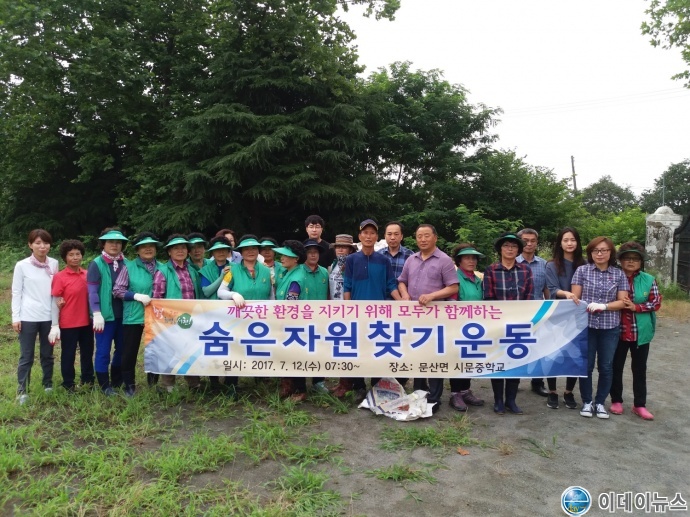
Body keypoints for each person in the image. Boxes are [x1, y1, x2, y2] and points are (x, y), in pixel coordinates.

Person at [332, 219, 402, 399]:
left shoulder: (384, 260)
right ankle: (359, 386)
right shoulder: (352, 259)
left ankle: (377, 385)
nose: (368, 236)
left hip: (379, 314)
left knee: (377, 349)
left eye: (372, 233)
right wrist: (348, 310)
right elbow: (347, 285)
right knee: (358, 350)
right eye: (365, 233)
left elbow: (390, 284)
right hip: (357, 314)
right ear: (360, 236)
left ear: (377, 237)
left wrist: (403, 303)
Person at [398, 224, 459, 413]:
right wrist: (404, 294)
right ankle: (419, 391)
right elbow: (402, 281)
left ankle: (434, 398)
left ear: (435, 238)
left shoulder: (444, 260)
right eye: (419, 236)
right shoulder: (411, 259)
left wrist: (432, 296)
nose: (422, 239)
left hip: (435, 318)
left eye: (426, 236)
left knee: (434, 357)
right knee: (417, 354)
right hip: (414, 317)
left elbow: (453, 287)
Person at [571, 236, 628, 419]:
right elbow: (575, 299)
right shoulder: (582, 271)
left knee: (606, 366)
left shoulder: (619, 274)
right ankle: (587, 401)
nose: (600, 254)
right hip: (586, 326)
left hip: (609, 326)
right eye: (595, 250)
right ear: (590, 253)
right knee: (586, 366)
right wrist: (585, 305)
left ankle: (601, 402)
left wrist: (604, 306)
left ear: (611, 252)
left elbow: (623, 301)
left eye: (604, 250)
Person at [482, 232, 534, 415]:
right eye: (506, 246)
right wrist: (499, 319)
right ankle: (498, 400)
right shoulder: (491, 270)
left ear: (518, 250)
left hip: (519, 324)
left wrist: (524, 318)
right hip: (498, 324)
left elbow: (529, 297)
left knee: (515, 361)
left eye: (513, 246)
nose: (510, 249)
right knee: (498, 361)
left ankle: (511, 400)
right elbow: (488, 298)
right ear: (500, 249)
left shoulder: (526, 270)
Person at [610, 242, 661, 421]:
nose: (631, 261)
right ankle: (616, 400)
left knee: (639, 369)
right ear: (620, 260)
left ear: (641, 261)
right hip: (617, 331)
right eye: (627, 258)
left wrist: (636, 307)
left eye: (635, 258)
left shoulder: (648, 279)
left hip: (640, 332)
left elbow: (656, 302)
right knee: (615, 367)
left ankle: (639, 404)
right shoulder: (613, 276)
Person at [217, 235, 274, 393]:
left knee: (259, 348)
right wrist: (233, 294)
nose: (250, 251)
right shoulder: (232, 270)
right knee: (236, 350)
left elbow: (271, 294)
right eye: (246, 249)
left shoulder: (266, 270)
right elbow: (221, 291)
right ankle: (231, 385)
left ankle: (260, 382)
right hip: (238, 319)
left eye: (254, 248)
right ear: (241, 252)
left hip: (261, 318)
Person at [12, 229, 59, 404]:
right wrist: (15, 317)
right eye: (38, 243)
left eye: (45, 243)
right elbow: (16, 292)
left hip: (48, 316)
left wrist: (56, 319)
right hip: (28, 316)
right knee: (26, 356)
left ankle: (48, 384)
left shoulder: (53, 263)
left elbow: (56, 291)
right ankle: (22, 391)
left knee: (47, 354)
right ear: (30, 245)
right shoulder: (22, 265)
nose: (42, 246)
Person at [112, 232, 163, 396]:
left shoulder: (163, 267)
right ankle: (129, 385)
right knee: (129, 351)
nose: (148, 249)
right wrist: (135, 296)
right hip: (134, 315)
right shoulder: (129, 267)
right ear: (137, 250)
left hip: (157, 317)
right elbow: (117, 290)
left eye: (151, 246)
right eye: (143, 247)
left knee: (155, 351)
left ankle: (153, 383)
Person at [152, 234, 203, 392]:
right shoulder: (163, 271)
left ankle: (194, 384)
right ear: (169, 252)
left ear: (187, 251)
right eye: (175, 248)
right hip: (171, 320)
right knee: (170, 351)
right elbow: (157, 298)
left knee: (190, 350)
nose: (180, 251)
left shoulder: (192, 270)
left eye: (183, 248)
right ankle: (169, 386)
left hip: (191, 318)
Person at [544, 227, 586, 409]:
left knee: (575, 354)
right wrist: (567, 294)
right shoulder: (551, 265)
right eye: (565, 240)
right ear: (559, 243)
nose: (569, 243)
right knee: (552, 354)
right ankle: (552, 392)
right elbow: (552, 289)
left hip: (578, 317)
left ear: (578, 242)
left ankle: (569, 391)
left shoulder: (585, 264)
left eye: (573, 240)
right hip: (557, 315)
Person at [88, 227, 129, 395]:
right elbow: (92, 291)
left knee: (122, 349)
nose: (114, 245)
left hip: (124, 315)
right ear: (103, 244)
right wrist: (96, 313)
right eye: (110, 242)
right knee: (103, 351)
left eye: (118, 242)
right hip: (104, 317)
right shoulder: (96, 263)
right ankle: (104, 384)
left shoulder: (127, 263)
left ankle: (117, 379)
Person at [447, 243, 486, 411]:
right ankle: (455, 393)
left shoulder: (477, 279)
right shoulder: (455, 279)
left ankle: (465, 390)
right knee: (457, 359)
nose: (471, 261)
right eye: (467, 258)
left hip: (474, 327)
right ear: (459, 261)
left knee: (469, 358)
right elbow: (451, 302)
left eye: (474, 258)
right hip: (458, 326)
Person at [52, 239, 94, 392]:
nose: (75, 257)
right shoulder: (60, 277)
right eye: (71, 255)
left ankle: (88, 380)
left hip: (87, 322)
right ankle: (68, 383)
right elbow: (55, 299)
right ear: (65, 257)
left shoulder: (87, 275)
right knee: (68, 354)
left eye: (78, 254)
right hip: (69, 322)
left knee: (87, 352)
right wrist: (55, 321)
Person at [272, 240, 309, 400]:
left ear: (296, 259)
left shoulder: (296, 278)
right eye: (282, 254)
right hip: (287, 320)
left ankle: (300, 390)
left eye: (286, 255)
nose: (282, 258)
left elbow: (290, 303)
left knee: (295, 355)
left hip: (292, 323)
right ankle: (289, 386)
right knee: (288, 354)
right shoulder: (288, 272)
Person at [516, 228, 551, 398]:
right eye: (525, 240)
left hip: (538, 312)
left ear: (537, 243)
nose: (529, 244)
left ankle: (537, 382)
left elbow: (546, 289)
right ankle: (513, 381)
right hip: (516, 313)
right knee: (515, 347)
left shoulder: (544, 264)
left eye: (532, 241)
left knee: (539, 348)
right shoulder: (511, 261)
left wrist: (551, 310)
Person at [301, 239, 329, 393]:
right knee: (301, 351)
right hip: (302, 318)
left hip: (321, 319)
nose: (313, 255)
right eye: (309, 252)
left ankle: (318, 382)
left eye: (316, 252)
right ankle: (300, 385)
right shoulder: (298, 271)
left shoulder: (324, 272)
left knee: (320, 350)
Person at [378, 221, 414, 286]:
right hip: (382, 292)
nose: (392, 237)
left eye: (396, 234)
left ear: (401, 236)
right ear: (385, 236)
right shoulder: (378, 255)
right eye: (389, 234)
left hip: (403, 292)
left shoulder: (410, 255)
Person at [328, 234, 357, 301]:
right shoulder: (333, 265)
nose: (340, 250)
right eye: (338, 247)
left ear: (350, 250)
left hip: (348, 304)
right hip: (333, 304)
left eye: (344, 247)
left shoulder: (354, 265)